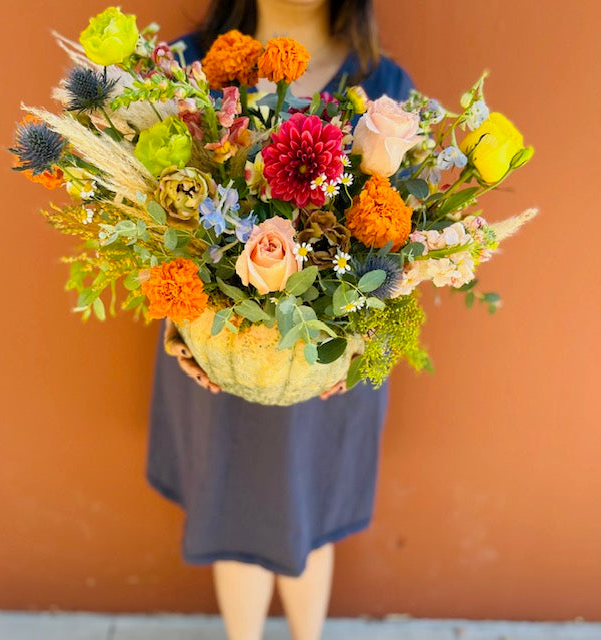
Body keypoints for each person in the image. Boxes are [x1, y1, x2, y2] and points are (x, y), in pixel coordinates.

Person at [147, 1, 414, 638]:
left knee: (309, 506)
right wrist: (177, 322)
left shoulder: (383, 90)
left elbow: (409, 244)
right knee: (234, 501)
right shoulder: (184, 69)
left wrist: (366, 337)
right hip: (217, 342)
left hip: (331, 353)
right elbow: (148, 222)